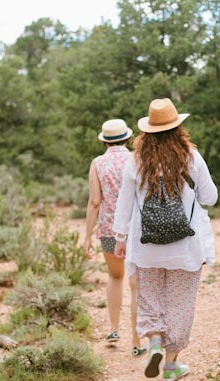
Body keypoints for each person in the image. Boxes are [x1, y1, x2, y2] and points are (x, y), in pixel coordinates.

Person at [113, 98, 217, 381]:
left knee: (149, 299)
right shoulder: (191, 157)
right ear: (178, 128)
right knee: (180, 303)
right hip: (185, 247)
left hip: (146, 246)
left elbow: (123, 204)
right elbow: (210, 197)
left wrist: (119, 237)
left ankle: (155, 343)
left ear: (146, 132)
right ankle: (171, 365)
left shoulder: (136, 161)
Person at [84, 118, 147, 357]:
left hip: (109, 230)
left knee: (114, 276)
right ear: (128, 138)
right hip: (137, 230)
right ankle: (136, 341)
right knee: (136, 284)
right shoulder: (136, 159)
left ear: (104, 141)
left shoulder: (98, 163)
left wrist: (87, 236)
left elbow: (94, 202)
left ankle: (113, 329)